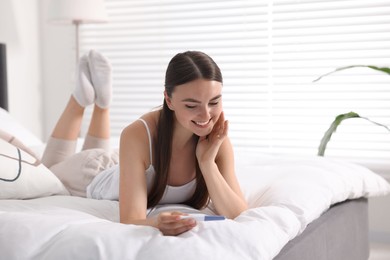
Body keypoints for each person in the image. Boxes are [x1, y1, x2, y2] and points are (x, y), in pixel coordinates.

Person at [41, 50, 248, 236]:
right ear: (169, 100)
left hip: (126, 163)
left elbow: (238, 213)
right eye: (191, 105)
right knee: (49, 171)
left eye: (214, 102)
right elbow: (130, 220)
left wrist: (207, 163)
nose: (206, 115)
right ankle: (80, 100)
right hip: (93, 171)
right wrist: (156, 223)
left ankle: (101, 103)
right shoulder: (136, 134)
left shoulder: (216, 140)